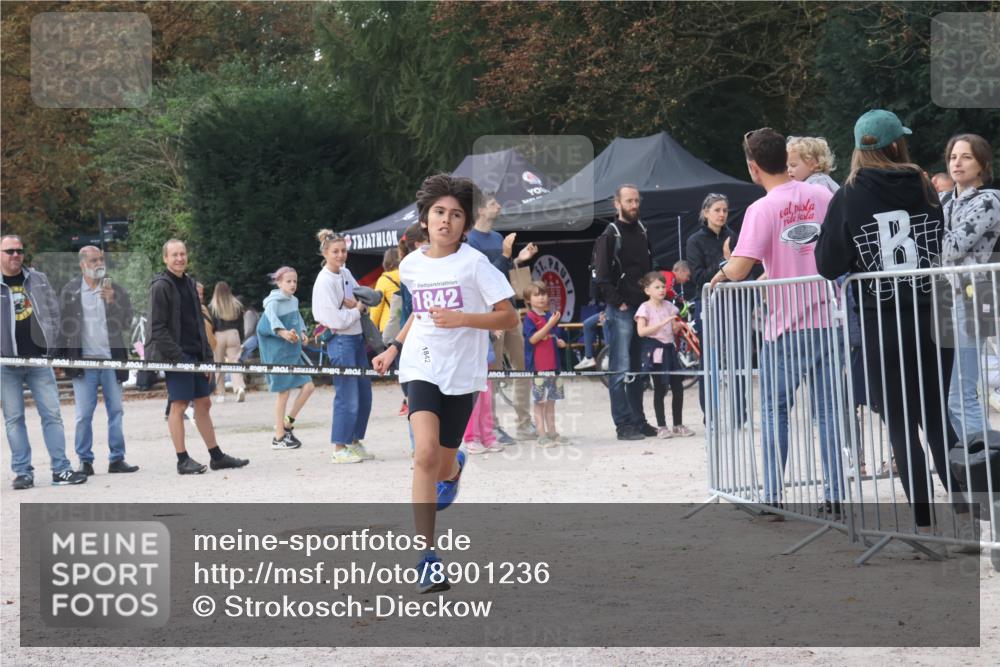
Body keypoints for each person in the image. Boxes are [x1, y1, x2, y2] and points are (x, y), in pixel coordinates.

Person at [815, 109, 971, 536]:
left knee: (901, 422)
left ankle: (923, 525)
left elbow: (829, 264)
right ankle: (965, 510)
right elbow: (936, 237)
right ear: (896, 144)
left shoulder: (847, 194)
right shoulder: (924, 185)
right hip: (930, 312)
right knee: (938, 416)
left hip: (883, 321)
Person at [372, 173, 517, 593]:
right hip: (421, 364)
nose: (446, 221)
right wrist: (394, 348)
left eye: (456, 215)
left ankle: (453, 473)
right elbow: (420, 313)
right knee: (424, 454)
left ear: (465, 224)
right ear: (424, 217)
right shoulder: (412, 265)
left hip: (462, 372)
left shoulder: (475, 264)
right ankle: (426, 558)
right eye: (439, 212)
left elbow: (508, 317)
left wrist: (464, 319)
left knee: (443, 462)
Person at [712, 127, 841, 515]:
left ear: (753, 167)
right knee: (829, 413)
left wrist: (721, 268)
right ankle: (834, 495)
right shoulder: (822, 194)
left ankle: (772, 495)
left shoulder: (761, 208)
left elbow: (738, 269)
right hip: (827, 319)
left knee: (774, 411)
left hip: (786, 326)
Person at [146, 239, 249, 475]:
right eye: (174, 255)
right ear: (165, 258)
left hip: (196, 354)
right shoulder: (160, 286)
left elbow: (199, 325)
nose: (180, 258)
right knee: (179, 405)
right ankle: (182, 460)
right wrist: (180, 358)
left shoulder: (191, 284)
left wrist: (206, 359)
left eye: (182, 254)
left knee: (204, 403)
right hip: (176, 357)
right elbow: (157, 329)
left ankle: (216, 456)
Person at [1, 234, 87, 489]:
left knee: (52, 416)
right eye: (9, 251)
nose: (16, 255)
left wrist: (56, 349)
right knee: (14, 419)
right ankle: (23, 472)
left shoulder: (38, 279)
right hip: (6, 364)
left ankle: (60, 469)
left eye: (19, 250)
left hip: (40, 361)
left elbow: (54, 314)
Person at [57, 246, 139, 476]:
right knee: (84, 414)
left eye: (101, 259)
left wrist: (113, 302)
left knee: (116, 411)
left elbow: (126, 322)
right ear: (83, 264)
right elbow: (62, 327)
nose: (99, 264)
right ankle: (85, 461)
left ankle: (117, 459)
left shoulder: (115, 289)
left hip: (111, 361)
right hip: (84, 363)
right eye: (94, 260)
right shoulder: (71, 291)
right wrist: (59, 358)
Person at [940, 133, 1000, 440]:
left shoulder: (989, 200)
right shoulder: (945, 200)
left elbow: (950, 248)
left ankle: (987, 474)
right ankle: (985, 468)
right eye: (953, 157)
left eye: (966, 157)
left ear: (982, 164)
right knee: (956, 398)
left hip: (975, 295)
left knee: (962, 396)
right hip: (949, 296)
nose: (957, 163)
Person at [466, 190, 539, 442]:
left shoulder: (497, 236)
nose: (499, 206)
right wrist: (507, 255)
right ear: (481, 210)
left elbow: (501, 273)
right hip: (489, 314)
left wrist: (518, 259)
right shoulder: (470, 241)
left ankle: (524, 423)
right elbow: (482, 278)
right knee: (493, 373)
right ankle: (492, 426)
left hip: (508, 308)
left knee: (523, 368)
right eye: (493, 203)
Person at [592, 184, 655, 441]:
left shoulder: (642, 230)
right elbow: (601, 276)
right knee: (620, 369)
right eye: (629, 201)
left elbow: (649, 266)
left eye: (637, 200)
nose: (634, 205)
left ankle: (638, 420)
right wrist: (618, 303)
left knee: (638, 369)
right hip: (621, 310)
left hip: (642, 309)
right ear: (617, 204)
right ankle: (623, 424)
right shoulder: (610, 234)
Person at [312, 229, 371, 464]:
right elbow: (334, 320)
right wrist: (356, 310)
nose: (340, 255)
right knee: (347, 395)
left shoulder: (345, 273)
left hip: (356, 338)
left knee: (364, 394)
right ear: (325, 253)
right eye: (335, 251)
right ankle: (339, 446)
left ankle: (354, 441)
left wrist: (356, 307)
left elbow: (362, 297)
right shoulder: (324, 281)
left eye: (343, 251)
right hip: (340, 341)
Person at [258, 266, 315, 450]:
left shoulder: (294, 300)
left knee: (308, 387)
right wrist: (282, 332)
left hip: (293, 352)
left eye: (295, 281)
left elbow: (298, 319)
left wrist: (304, 332)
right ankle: (278, 437)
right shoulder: (272, 302)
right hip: (278, 354)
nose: (292, 284)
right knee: (283, 393)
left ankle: (287, 424)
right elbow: (271, 321)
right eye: (288, 281)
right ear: (279, 283)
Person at [635, 272, 693, 439]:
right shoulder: (644, 308)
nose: (661, 290)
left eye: (663, 286)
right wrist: (661, 323)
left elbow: (673, 328)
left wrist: (680, 325)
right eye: (657, 287)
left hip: (670, 351)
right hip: (656, 353)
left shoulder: (669, 306)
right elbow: (641, 332)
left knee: (678, 388)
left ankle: (678, 424)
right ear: (647, 290)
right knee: (660, 390)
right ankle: (661, 426)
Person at [522, 280, 570, 447]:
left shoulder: (550, 316)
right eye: (536, 295)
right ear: (528, 300)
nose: (541, 298)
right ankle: (541, 434)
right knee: (539, 402)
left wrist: (558, 340)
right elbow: (533, 339)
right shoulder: (529, 317)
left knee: (552, 401)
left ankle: (552, 432)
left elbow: (552, 336)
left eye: (543, 294)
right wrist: (550, 325)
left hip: (554, 366)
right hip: (538, 368)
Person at [208, 281, 245, 403]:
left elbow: (211, 325)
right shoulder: (237, 305)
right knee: (235, 362)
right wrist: (241, 337)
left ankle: (221, 393)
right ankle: (239, 387)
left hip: (218, 335)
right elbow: (241, 324)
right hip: (234, 334)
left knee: (219, 364)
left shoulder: (212, 307)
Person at [370, 248, 401, 333]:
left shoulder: (384, 280)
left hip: (389, 328)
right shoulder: (408, 276)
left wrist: (372, 330)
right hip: (407, 327)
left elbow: (376, 307)